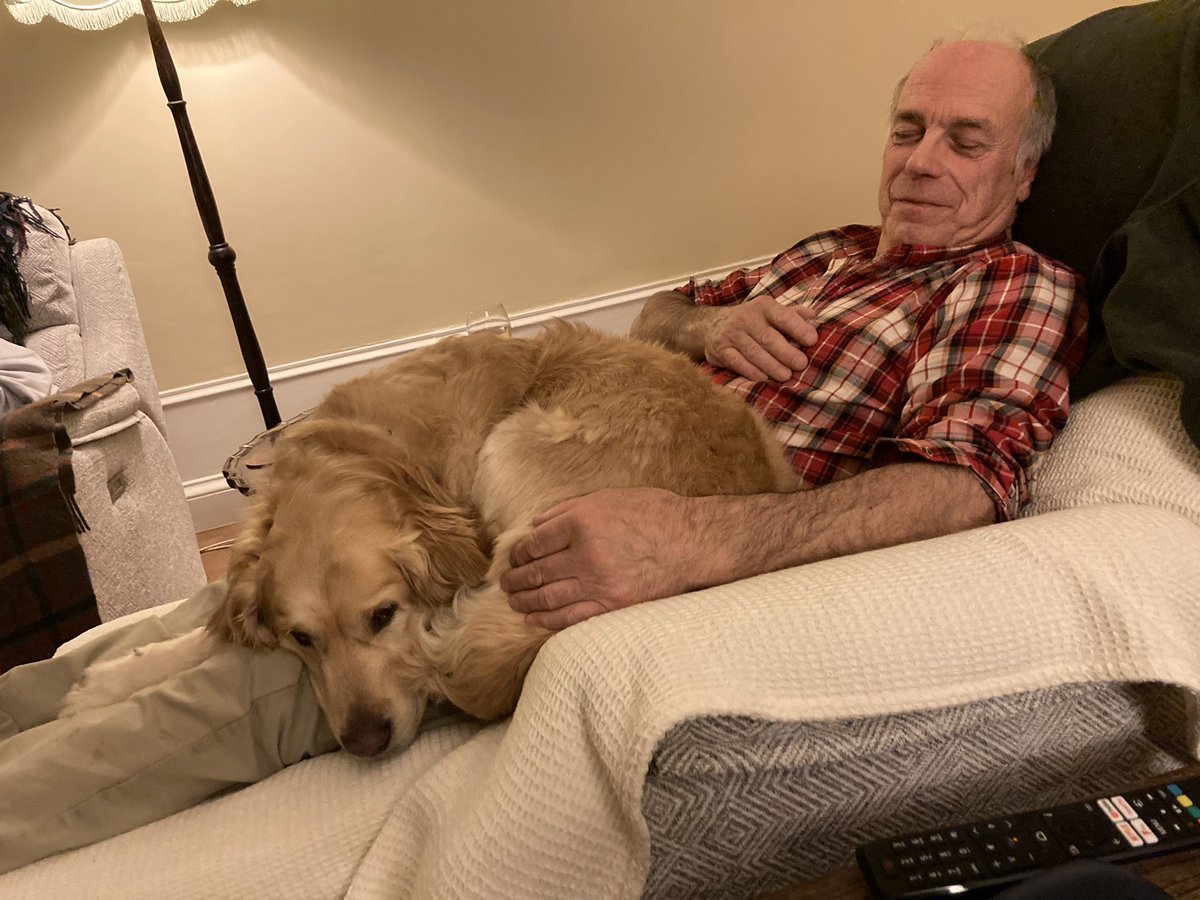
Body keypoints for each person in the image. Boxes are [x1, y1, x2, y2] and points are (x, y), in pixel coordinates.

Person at [501, 39, 1088, 631]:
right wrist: (709, 326)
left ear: (1023, 174)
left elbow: (963, 487)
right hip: (570, 448)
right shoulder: (825, 250)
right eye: (907, 132)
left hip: (661, 521)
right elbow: (657, 313)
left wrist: (688, 539)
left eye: (966, 143)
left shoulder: (1012, 281)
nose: (920, 162)